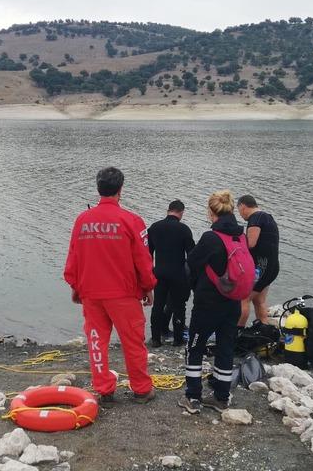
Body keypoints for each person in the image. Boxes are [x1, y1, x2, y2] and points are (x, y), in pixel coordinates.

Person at [64, 167, 157, 404]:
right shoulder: (131, 220)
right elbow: (143, 260)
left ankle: (104, 389)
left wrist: (75, 287)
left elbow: (74, 257)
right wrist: (148, 287)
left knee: (97, 342)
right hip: (124, 294)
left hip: (91, 293)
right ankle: (141, 389)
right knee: (133, 342)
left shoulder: (82, 220)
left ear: (98, 189)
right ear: (120, 189)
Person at [178, 190, 244, 414]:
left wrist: (194, 287)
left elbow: (191, 265)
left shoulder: (210, 238)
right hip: (233, 302)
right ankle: (221, 397)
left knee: (195, 347)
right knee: (225, 348)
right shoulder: (241, 237)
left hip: (208, 303)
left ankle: (193, 396)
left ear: (210, 212)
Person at [147, 200, 195, 347]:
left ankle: (156, 339)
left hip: (159, 272)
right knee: (179, 306)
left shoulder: (154, 227)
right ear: (181, 212)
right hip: (178, 273)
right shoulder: (184, 229)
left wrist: (150, 272)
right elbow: (192, 255)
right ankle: (178, 339)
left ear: (168, 210)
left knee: (158, 305)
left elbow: (148, 253)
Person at [236, 195, 280, 328]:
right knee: (259, 301)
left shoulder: (255, 219)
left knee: (243, 299)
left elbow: (250, 244)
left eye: (239, 210)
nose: (240, 214)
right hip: (272, 267)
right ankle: (264, 329)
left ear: (243, 206)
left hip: (261, 268)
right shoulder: (268, 217)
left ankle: (237, 331)